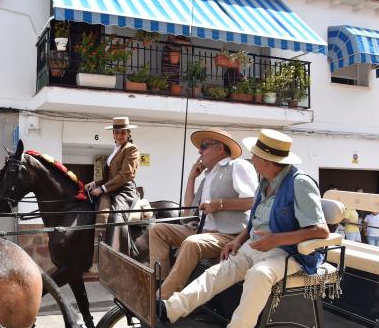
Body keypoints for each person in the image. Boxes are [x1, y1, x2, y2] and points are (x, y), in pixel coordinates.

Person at [161, 129, 329, 328]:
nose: (252, 160)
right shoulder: (265, 181)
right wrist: (237, 240)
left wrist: (275, 240)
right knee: (217, 272)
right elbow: (253, 223)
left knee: (259, 275)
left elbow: (321, 231)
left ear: (269, 161)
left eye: (256, 156)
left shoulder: (300, 183)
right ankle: (170, 309)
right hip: (254, 245)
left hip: (288, 252)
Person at [149, 128, 258, 299]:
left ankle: (164, 297)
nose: (200, 151)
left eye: (204, 146)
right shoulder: (208, 176)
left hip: (228, 235)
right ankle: (160, 282)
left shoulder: (237, 166)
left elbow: (253, 201)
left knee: (193, 243)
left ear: (220, 148)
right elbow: (187, 212)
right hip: (201, 231)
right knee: (157, 229)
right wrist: (192, 178)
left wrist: (219, 205)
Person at [86, 117, 140, 259]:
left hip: (124, 190)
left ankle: (116, 253)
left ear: (128, 133)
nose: (119, 136)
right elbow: (109, 175)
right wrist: (95, 183)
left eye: (122, 133)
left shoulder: (131, 149)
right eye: (116, 133)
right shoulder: (116, 149)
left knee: (114, 216)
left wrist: (102, 189)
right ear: (113, 134)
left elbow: (124, 175)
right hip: (112, 188)